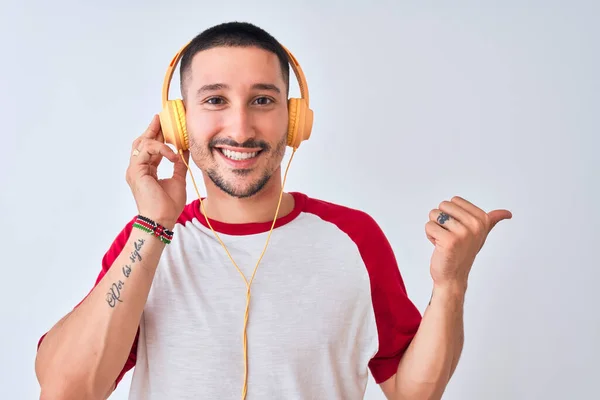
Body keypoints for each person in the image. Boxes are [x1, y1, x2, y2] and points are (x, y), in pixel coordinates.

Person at [34, 21, 512, 400]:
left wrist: (452, 284)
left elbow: (412, 393)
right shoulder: (148, 242)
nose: (241, 128)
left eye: (263, 100)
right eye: (215, 100)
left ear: (294, 119)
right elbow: (67, 392)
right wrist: (154, 224)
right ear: (180, 122)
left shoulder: (353, 237)